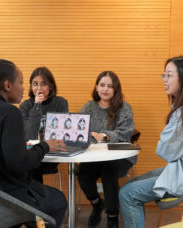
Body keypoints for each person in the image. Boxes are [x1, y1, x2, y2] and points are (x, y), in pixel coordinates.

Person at [119, 56, 183, 228]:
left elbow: (166, 152)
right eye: (164, 75)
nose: (164, 80)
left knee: (127, 193)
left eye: (169, 75)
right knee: (133, 183)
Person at [0, 59, 67, 228]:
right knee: (59, 201)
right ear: (7, 85)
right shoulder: (10, 112)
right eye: (22, 83)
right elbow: (19, 163)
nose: (24, 88)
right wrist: (45, 146)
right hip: (8, 194)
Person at [77, 71, 135, 228]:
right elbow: (79, 130)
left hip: (119, 157)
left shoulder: (124, 107)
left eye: (110, 86)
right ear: (96, 87)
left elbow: (126, 132)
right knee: (83, 175)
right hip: (94, 157)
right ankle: (97, 204)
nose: (105, 89)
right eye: (102, 85)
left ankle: (112, 216)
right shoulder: (89, 106)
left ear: (116, 89)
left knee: (108, 170)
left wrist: (105, 136)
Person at [20, 66, 68, 183]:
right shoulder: (25, 106)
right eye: (35, 84)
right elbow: (30, 135)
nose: (39, 88)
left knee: (32, 166)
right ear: (31, 87)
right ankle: (36, 199)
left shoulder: (60, 103)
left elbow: (62, 132)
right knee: (30, 165)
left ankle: (39, 198)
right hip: (34, 152)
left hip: (53, 152)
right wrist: (37, 105)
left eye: (43, 84)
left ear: (50, 86)